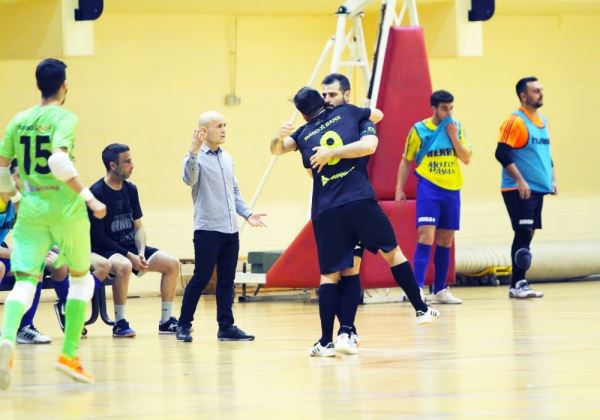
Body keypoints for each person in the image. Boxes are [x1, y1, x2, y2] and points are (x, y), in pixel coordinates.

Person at [271, 87, 439, 358]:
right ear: (323, 102)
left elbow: (278, 150)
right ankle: (419, 307)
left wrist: (280, 137)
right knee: (391, 253)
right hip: (358, 200)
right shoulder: (349, 113)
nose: (330, 97)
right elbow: (377, 114)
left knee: (332, 274)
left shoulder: (303, 134)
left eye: (333, 92)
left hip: (326, 209)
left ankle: (331, 338)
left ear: (302, 113)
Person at [0, 58, 106, 388]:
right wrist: (89, 197)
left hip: (31, 212)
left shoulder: (18, 120)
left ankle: (6, 339)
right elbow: (58, 159)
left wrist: (16, 198)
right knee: (81, 280)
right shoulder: (64, 117)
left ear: (37, 85)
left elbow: (2, 170)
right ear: (64, 87)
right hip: (67, 212)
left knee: (25, 283)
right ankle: (69, 355)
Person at [177, 111, 266, 343]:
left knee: (227, 280)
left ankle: (226, 327)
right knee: (201, 277)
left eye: (225, 125)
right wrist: (194, 151)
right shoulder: (193, 157)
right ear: (204, 131)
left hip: (230, 230)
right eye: (219, 126)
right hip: (207, 229)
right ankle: (183, 325)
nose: (224, 129)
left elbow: (233, 191)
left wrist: (247, 214)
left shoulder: (227, 158)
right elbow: (189, 179)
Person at [89, 143, 180, 337]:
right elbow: (98, 237)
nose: (132, 165)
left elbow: (138, 226)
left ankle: (166, 321)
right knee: (124, 266)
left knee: (172, 264)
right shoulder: (96, 192)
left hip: (131, 246)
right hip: (105, 249)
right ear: (113, 165)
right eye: (127, 161)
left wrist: (140, 252)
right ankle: (120, 323)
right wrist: (129, 256)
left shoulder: (131, 189)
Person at [395, 90, 471, 304]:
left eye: (451, 108)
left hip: (452, 188)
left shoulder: (457, 127)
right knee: (425, 236)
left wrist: (454, 136)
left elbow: (466, 158)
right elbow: (406, 160)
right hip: (429, 188)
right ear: (434, 108)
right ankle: (416, 289)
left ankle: (440, 290)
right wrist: (399, 187)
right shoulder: (419, 130)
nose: (448, 112)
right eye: (444, 108)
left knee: (446, 240)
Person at [318, 73, 375, 352]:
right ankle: (330, 337)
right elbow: (308, 168)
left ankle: (347, 331)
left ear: (347, 95)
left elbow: (370, 143)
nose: (327, 100)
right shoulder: (319, 126)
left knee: (352, 268)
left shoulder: (359, 120)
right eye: (324, 96)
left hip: (355, 203)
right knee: (331, 272)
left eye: (332, 95)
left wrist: (334, 153)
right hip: (328, 207)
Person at [495, 77, 556, 298]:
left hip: (539, 188)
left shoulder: (543, 121)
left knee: (528, 233)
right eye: (536, 91)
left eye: (541, 90)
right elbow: (501, 152)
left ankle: (517, 283)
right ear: (523, 95)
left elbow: (545, 154)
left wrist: (553, 179)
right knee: (522, 233)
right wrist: (520, 180)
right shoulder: (515, 121)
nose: (541, 94)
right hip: (517, 188)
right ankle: (519, 283)